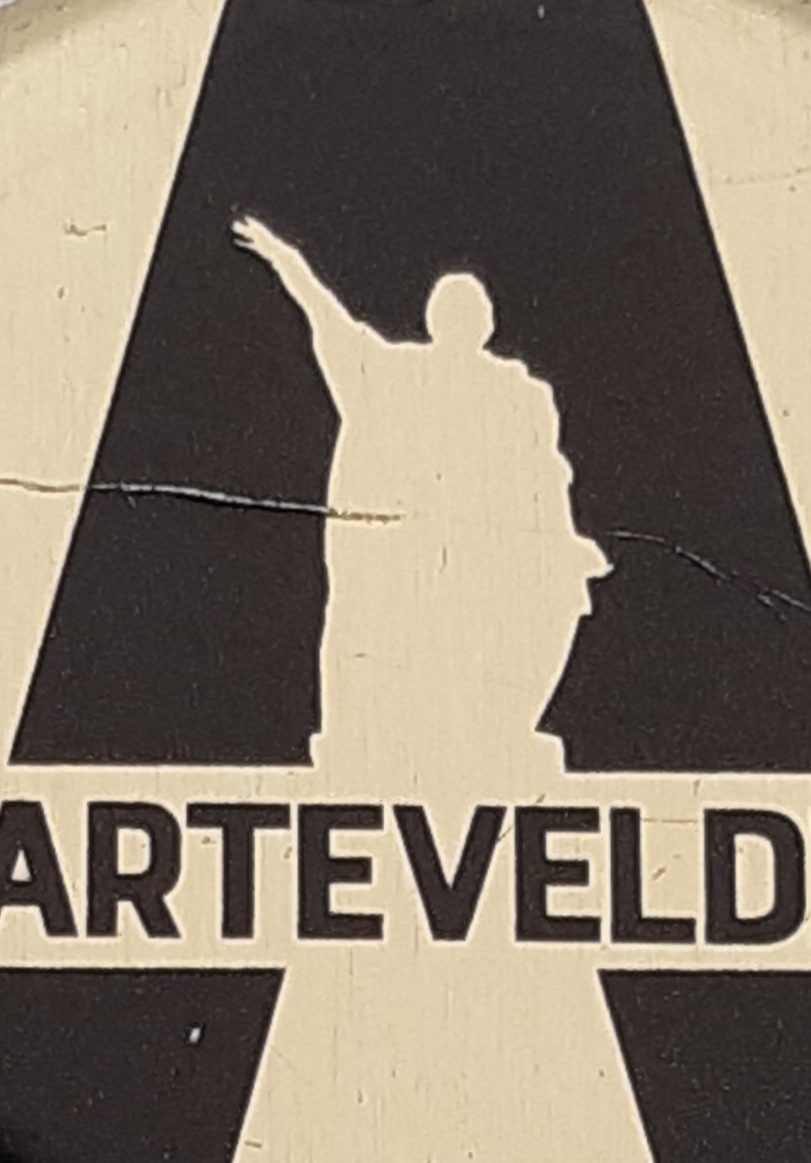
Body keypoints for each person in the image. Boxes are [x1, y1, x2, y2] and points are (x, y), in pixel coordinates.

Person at [232, 215, 607, 783]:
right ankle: (408, 730)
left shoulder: (520, 393)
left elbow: (543, 478)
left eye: (469, 312)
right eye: (451, 311)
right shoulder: (398, 372)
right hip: (409, 554)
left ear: (484, 324)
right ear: (436, 320)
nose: (460, 321)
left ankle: (493, 727)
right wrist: (288, 263)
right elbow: (330, 322)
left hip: (490, 552)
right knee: (403, 634)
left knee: (546, 599)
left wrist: (563, 544)